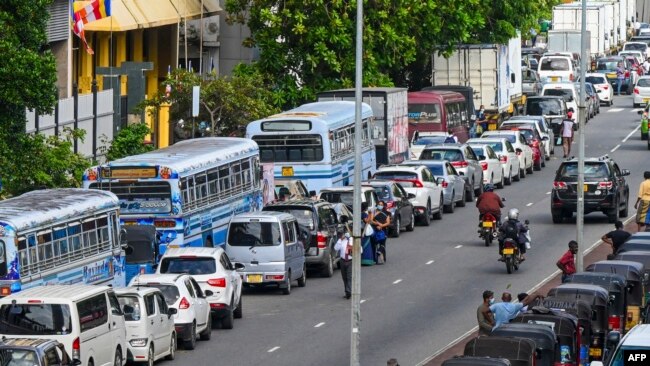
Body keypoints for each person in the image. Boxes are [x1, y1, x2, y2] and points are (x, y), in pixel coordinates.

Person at [334, 230, 356, 299]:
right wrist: (340, 240)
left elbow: (360, 250)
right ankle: (347, 292)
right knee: (344, 277)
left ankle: (348, 291)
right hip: (343, 261)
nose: (343, 235)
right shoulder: (341, 241)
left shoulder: (352, 240)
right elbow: (336, 248)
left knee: (349, 277)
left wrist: (352, 247)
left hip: (350, 261)